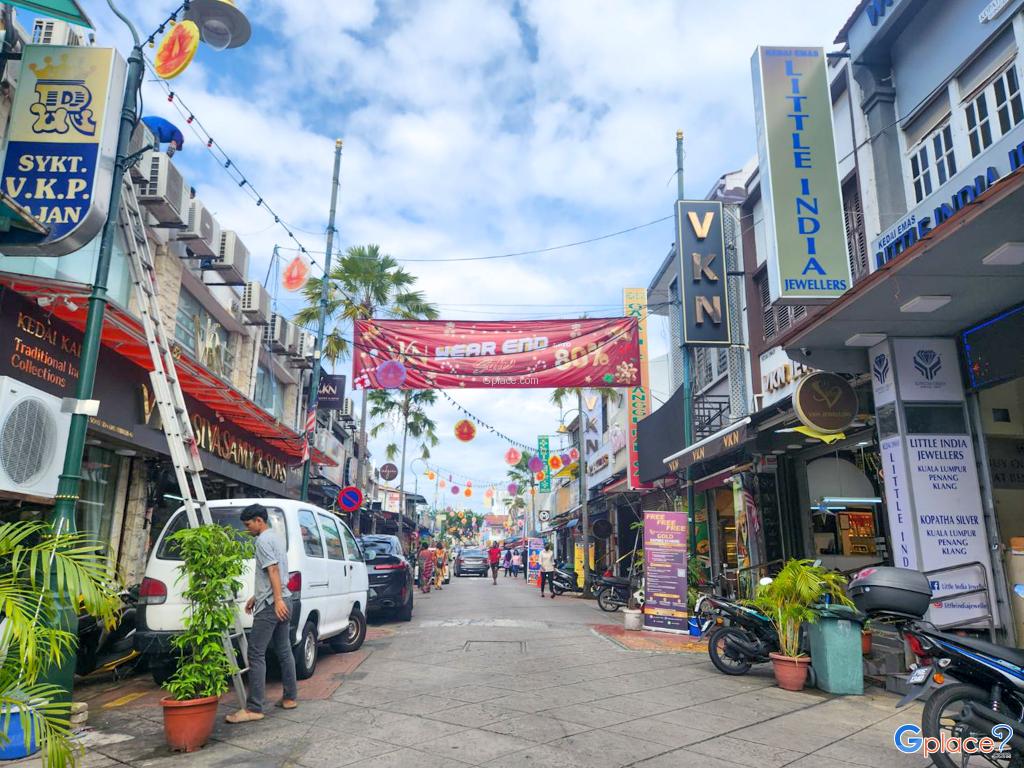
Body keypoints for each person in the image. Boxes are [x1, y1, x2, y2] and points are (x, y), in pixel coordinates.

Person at [226, 504, 297, 723]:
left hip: (273, 603)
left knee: (255, 653)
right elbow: (274, 574)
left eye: (248, 525)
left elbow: (273, 570)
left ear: (259, 521)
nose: (247, 529)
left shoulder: (263, 541)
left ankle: (254, 708)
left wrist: (273, 600)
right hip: (284, 598)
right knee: (284, 649)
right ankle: (290, 698)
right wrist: (257, 597)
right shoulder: (276, 538)